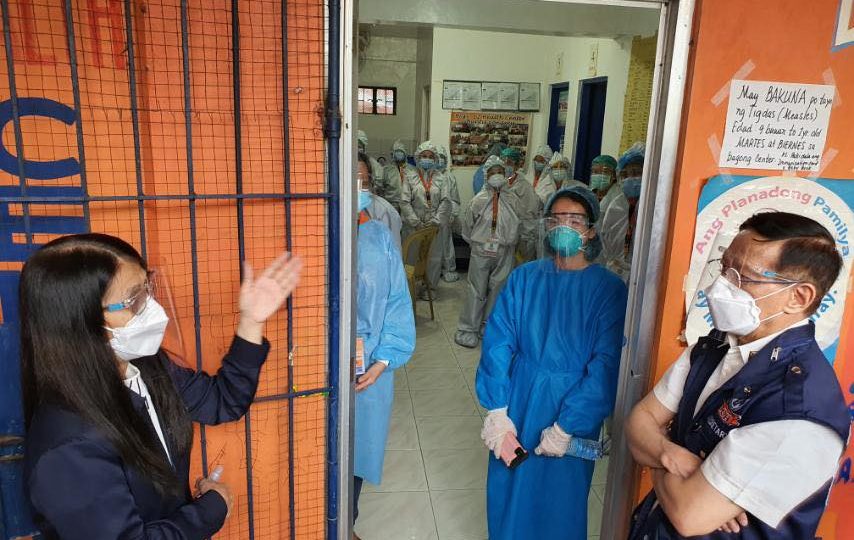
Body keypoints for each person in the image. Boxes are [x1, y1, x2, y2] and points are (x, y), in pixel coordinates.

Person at [21, 233, 302, 539]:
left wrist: (251, 321)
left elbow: (223, 401)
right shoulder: (68, 447)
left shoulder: (149, 367)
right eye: (135, 300)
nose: (154, 308)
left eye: (148, 288)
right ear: (81, 322)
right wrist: (209, 510)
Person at [627, 212, 848, 538]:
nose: (722, 285)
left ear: (798, 297)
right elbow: (638, 422)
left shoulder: (797, 408)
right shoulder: (714, 347)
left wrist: (659, 448)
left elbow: (689, 515)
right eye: (724, 268)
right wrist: (670, 456)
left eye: (742, 276)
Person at [476, 186, 628, 539]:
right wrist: (497, 410)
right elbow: (498, 341)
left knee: (560, 501)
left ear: (591, 230)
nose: (564, 227)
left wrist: (567, 426)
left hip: (573, 405)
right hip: (519, 397)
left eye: (575, 220)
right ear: (545, 226)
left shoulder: (608, 289)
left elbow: (606, 366)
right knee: (509, 488)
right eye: (556, 219)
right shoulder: (524, 278)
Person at [352, 159, 416, 539]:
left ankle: (346, 524)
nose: (355, 187)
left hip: (369, 367)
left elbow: (397, 303)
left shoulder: (378, 238)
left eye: (361, 180)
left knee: (357, 450)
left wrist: (383, 359)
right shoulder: (310, 232)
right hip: (315, 366)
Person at [454, 156, 523, 349]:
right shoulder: (478, 200)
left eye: (500, 172)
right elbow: (467, 227)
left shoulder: (513, 200)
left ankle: (489, 326)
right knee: (476, 289)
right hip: (481, 249)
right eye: (493, 172)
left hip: (505, 250)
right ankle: (468, 328)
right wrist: (477, 244)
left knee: (498, 289)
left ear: (506, 174)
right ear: (486, 175)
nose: (497, 176)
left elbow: (520, 223)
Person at [399, 140, 453, 298]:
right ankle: (410, 287)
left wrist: (436, 221)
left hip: (434, 225)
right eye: (424, 156)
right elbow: (404, 201)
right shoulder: (410, 177)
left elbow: (446, 201)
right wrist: (415, 222)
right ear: (417, 157)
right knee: (411, 255)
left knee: (433, 257)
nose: (427, 159)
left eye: (430, 156)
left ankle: (430, 288)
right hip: (413, 226)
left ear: (435, 159)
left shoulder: (442, 178)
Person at [599, 142, 645, 281]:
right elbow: (605, 246)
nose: (630, 178)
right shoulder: (616, 207)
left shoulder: (654, 207)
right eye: (625, 175)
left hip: (643, 277)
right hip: (615, 274)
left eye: (636, 173)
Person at [500, 147, 541, 261]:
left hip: (521, 235)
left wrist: (525, 236)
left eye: (509, 163)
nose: (505, 165)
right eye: (503, 162)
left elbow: (531, 213)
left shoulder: (525, 187)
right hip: (502, 234)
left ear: (517, 165)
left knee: (518, 264)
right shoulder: (500, 183)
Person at [359, 152, 402, 250]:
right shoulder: (331, 210)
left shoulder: (384, 212)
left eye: (363, 184)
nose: (357, 190)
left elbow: (393, 254)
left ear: (371, 182)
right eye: (352, 183)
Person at [437, 145, 461, 282]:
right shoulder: (431, 176)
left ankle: (449, 269)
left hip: (446, 217)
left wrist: (453, 214)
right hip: (432, 217)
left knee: (446, 244)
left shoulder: (450, 177)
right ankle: (433, 270)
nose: (440, 160)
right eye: (438, 157)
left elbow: (455, 199)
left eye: (442, 158)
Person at [358, 130, 398, 208]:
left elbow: (378, 186)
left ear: (364, 147)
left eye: (359, 146)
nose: (356, 148)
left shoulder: (374, 165)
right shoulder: (342, 162)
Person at [382, 139, 412, 212]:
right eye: (397, 152)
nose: (399, 154)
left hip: (408, 205)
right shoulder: (386, 170)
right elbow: (381, 188)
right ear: (392, 154)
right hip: (391, 205)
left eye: (401, 152)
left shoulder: (411, 170)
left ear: (405, 154)